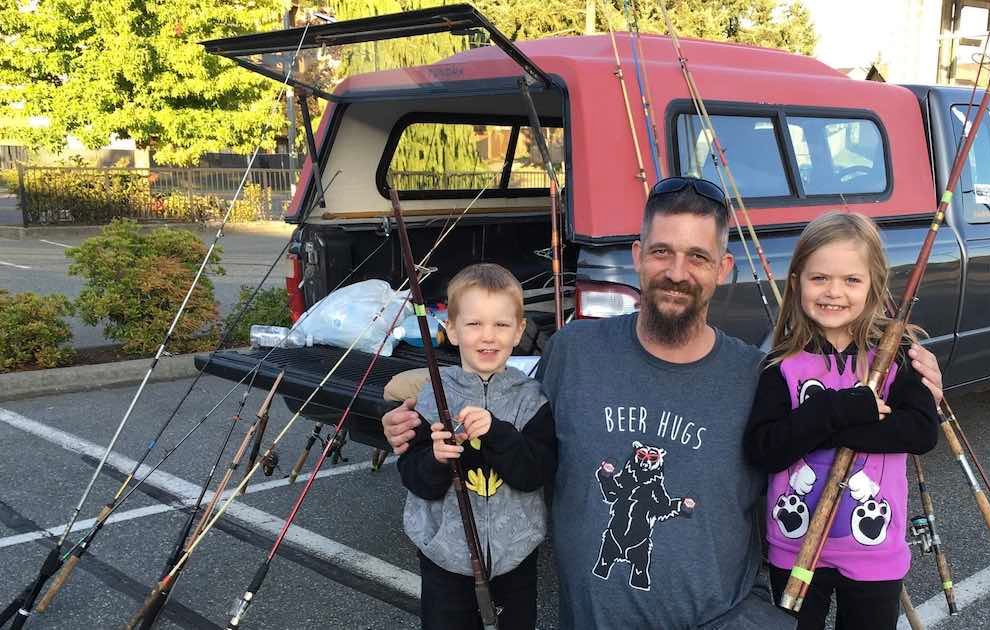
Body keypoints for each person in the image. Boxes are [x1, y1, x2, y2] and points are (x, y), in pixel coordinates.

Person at [382, 177, 945, 628]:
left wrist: (916, 386)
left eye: (698, 257)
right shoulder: (572, 352)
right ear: (636, 256)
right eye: (662, 252)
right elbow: (499, 397)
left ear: (723, 269)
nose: (678, 273)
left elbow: (827, 446)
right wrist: (410, 414)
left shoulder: (758, 373)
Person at [743, 212, 939, 630]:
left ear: (874, 287)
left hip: (874, 550)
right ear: (796, 282)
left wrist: (819, 428)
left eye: (852, 280)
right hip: (792, 547)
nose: (834, 292)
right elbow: (764, 448)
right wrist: (837, 410)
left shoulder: (897, 355)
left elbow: (921, 430)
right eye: (819, 279)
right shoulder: (782, 364)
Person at [398, 263, 555, 630]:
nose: (488, 336)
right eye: (473, 324)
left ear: (519, 331)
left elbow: (535, 473)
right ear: (451, 330)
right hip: (445, 562)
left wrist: (497, 433)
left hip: (514, 562)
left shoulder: (532, 400)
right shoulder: (431, 396)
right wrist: (436, 459)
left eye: (501, 325)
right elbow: (415, 477)